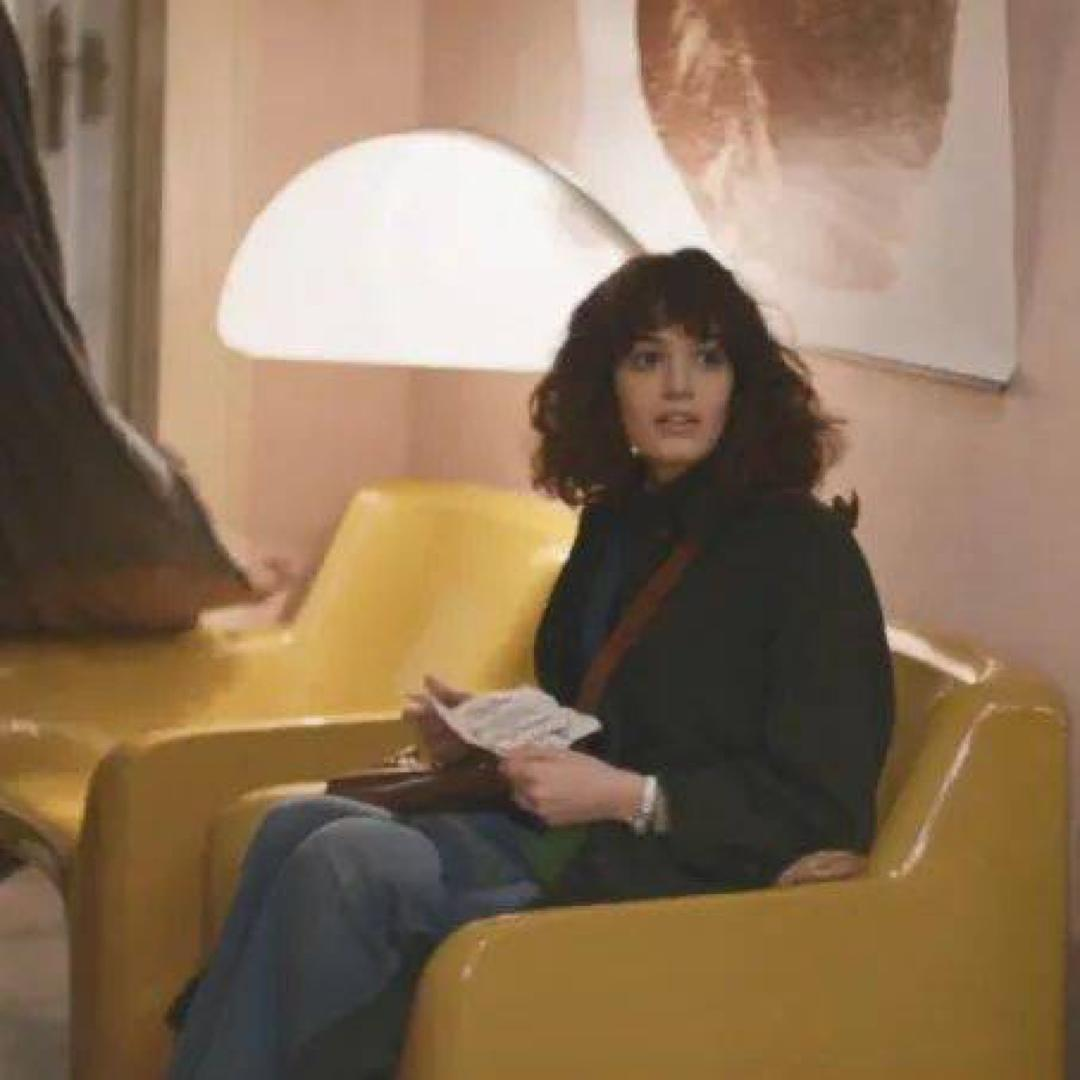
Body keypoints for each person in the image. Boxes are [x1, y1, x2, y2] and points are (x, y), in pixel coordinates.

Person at [168, 248, 894, 1079]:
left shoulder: (803, 554)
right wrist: (487, 736)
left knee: (348, 865)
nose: (679, 388)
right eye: (647, 359)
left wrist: (631, 796)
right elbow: (605, 714)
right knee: (290, 828)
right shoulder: (618, 523)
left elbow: (823, 802)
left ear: (744, 382)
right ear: (606, 385)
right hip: (573, 834)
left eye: (708, 358)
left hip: (675, 873)